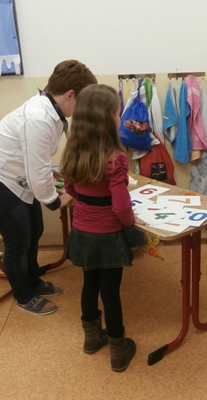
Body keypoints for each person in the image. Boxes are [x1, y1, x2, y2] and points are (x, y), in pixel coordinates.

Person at [0, 60, 97, 316]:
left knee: (34, 231)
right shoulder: (38, 117)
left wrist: (52, 175)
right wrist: (55, 201)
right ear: (70, 94)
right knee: (18, 240)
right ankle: (24, 294)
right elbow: (37, 169)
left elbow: (35, 160)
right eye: (82, 101)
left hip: (14, 180)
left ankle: (32, 281)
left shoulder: (50, 111)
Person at [60, 84, 137, 373]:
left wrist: (88, 204)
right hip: (109, 236)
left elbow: (70, 189)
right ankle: (118, 350)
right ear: (107, 120)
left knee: (89, 284)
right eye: (117, 113)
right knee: (111, 292)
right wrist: (130, 224)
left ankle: (92, 339)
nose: (120, 117)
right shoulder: (116, 159)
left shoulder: (72, 153)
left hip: (81, 231)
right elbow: (121, 206)